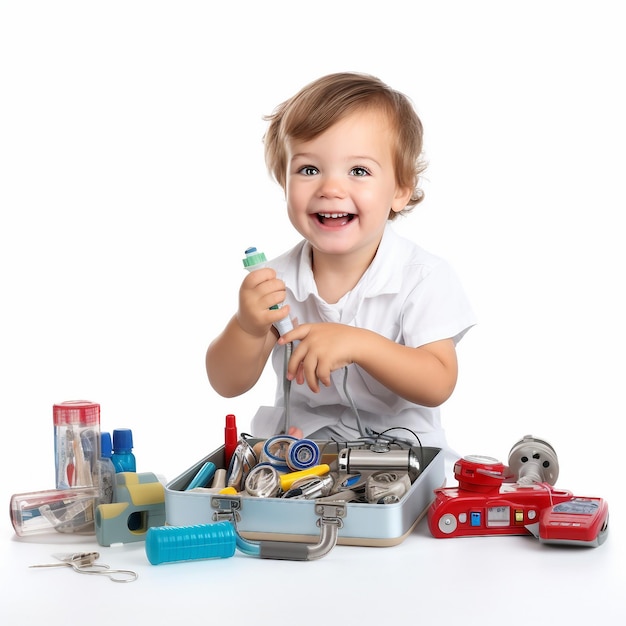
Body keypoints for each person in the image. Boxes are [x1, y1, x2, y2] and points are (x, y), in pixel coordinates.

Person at [206, 72, 476, 456]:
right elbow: (226, 382)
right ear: (284, 183)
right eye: (309, 170)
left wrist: (360, 344)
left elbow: (438, 382)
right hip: (300, 459)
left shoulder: (422, 277)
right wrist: (248, 328)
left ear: (400, 189)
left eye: (359, 171)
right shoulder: (277, 281)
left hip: (402, 461)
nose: (331, 188)